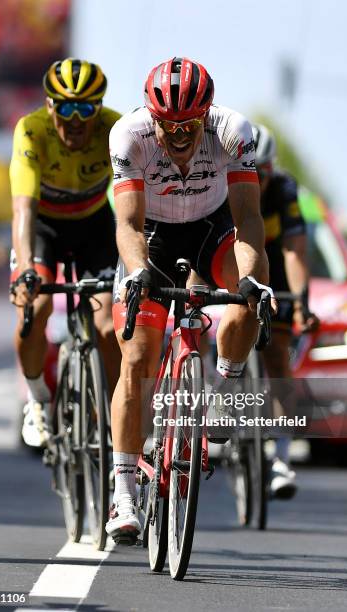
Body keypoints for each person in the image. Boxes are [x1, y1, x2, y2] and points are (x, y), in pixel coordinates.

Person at [105, 57, 275, 542]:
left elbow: (248, 221)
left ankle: (223, 389)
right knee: (136, 357)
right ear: (149, 116)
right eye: (168, 125)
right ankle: (122, 495)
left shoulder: (233, 132)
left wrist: (250, 280)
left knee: (250, 289)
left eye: (190, 125)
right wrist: (137, 273)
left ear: (208, 114)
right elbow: (129, 225)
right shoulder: (128, 136)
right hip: (152, 238)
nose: (179, 135)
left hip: (213, 228)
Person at [9, 58, 121, 447]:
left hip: (94, 227)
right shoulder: (32, 130)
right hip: (44, 229)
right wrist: (25, 268)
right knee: (35, 307)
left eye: (86, 108)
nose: (75, 119)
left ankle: (118, 414)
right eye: (66, 107)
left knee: (108, 326)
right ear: (49, 104)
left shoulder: (115, 130)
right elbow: (23, 208)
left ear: (100, 108)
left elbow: (132, 202)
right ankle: (38, 399)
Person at [252, 123, 319, 498]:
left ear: (272, 169)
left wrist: (301, 301)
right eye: (251, 172)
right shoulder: (221, 184)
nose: (257, 181)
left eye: (263, 173)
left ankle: (280, 458)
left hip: (273, 264)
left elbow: (294, 249)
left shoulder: (284, 189)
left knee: (278, 356)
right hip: (229, 259)